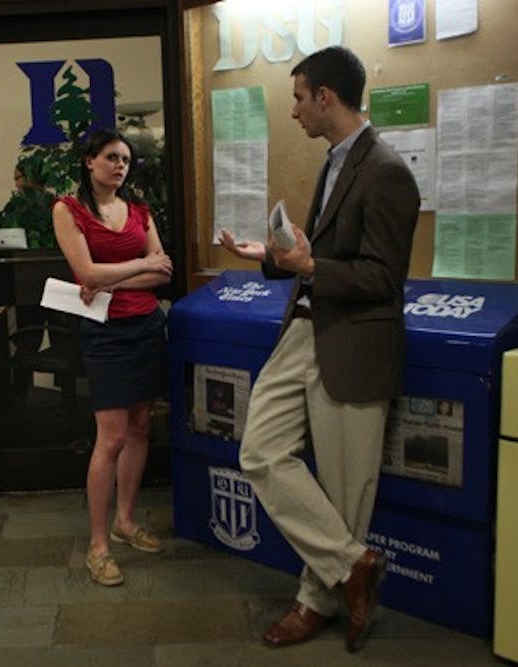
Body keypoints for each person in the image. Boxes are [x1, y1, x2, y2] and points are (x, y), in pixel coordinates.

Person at [219, 46, 420, 652]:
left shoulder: (387, 171)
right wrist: (277, 258)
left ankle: (315, 601)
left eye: (299, 97)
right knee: (259, 451)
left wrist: (312, 264)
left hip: (353, 341)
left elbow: (384, 279)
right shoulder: (336, 162)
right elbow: (321, 259)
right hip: (304, 328)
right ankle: (355, 565)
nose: (294, 111)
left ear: (326, 96)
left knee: (343, 486)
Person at [52, 129, 173, 586]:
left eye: (125, 159)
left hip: (147, 327)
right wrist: (140, 266)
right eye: (110, 157)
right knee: (112, 436)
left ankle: (125, 521)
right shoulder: (68, 209)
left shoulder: (139, 209)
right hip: (105, 333)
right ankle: (98, 546)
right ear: (89, 161)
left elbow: (163, 270)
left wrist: (112, 279)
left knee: (141, 425)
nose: (120, 166)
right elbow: (85, 272)